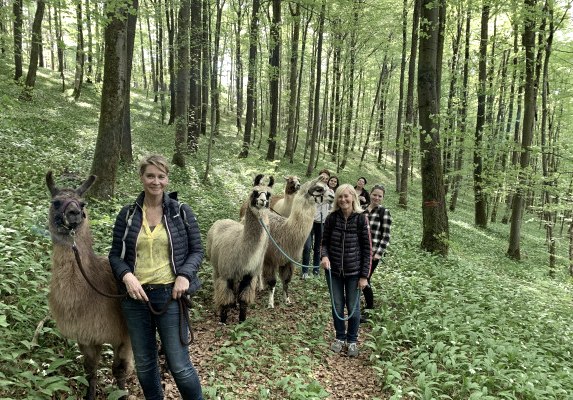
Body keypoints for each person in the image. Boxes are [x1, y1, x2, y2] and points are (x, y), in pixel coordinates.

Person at [109, 154, 204, 400]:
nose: (155, 181)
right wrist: (126, 275)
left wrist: (184, 275)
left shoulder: (180, 212)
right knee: (145, 364)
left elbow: (197, 250)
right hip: (135, 298)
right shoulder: (128, 214)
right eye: (150, 176)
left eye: (161, 176)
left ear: (167, 179)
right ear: (141, 178)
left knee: (179, 365)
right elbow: (115, 255)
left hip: (170, 295)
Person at [320, 184, 372, 357]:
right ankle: (340, 337)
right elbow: (324, 243)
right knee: (337, 305)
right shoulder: (332, 218)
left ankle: (352, 340)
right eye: (340, 196)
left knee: (353, 307)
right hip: (333, 272)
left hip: (354, 273)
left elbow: (367, 250)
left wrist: (364, 276)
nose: (343, 200)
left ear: (353, 198)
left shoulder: (361, 219)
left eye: (346, 196)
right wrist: (324, 256)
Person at [361, 184, 391, 323]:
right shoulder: (362, 209)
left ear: (383, 198)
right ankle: (358, 305)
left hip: (372, 254)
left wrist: (378, 253)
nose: (377, 198)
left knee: (365, 279)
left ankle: (369, 309)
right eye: (374, 194)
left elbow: (386, 236)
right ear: (370, 194)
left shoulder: (384, 212)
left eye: (380, 196)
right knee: (358, 278)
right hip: (358, 251)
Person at [302, 169, 331, 279]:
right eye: (322, 177)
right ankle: (305, 271)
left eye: (327, 178)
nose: (325, 179)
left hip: (321, 223)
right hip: (310, 221)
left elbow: (331, 206)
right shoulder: (312, 189)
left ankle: (316, 270)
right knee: (307, 246)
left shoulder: (329, 191)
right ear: (319, 177)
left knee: (318, 248)